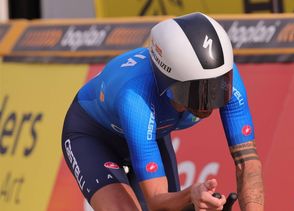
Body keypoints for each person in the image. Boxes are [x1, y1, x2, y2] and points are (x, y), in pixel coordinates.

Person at [62, 12, 264, 211]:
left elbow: (247, 164)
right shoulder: (135, 97)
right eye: (197, 90)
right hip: (92, 136)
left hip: (152, 131)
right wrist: (191, 195)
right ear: (168, 81)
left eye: (216, 87)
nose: (208, 102)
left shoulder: (223, 74)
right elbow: (157, 201)